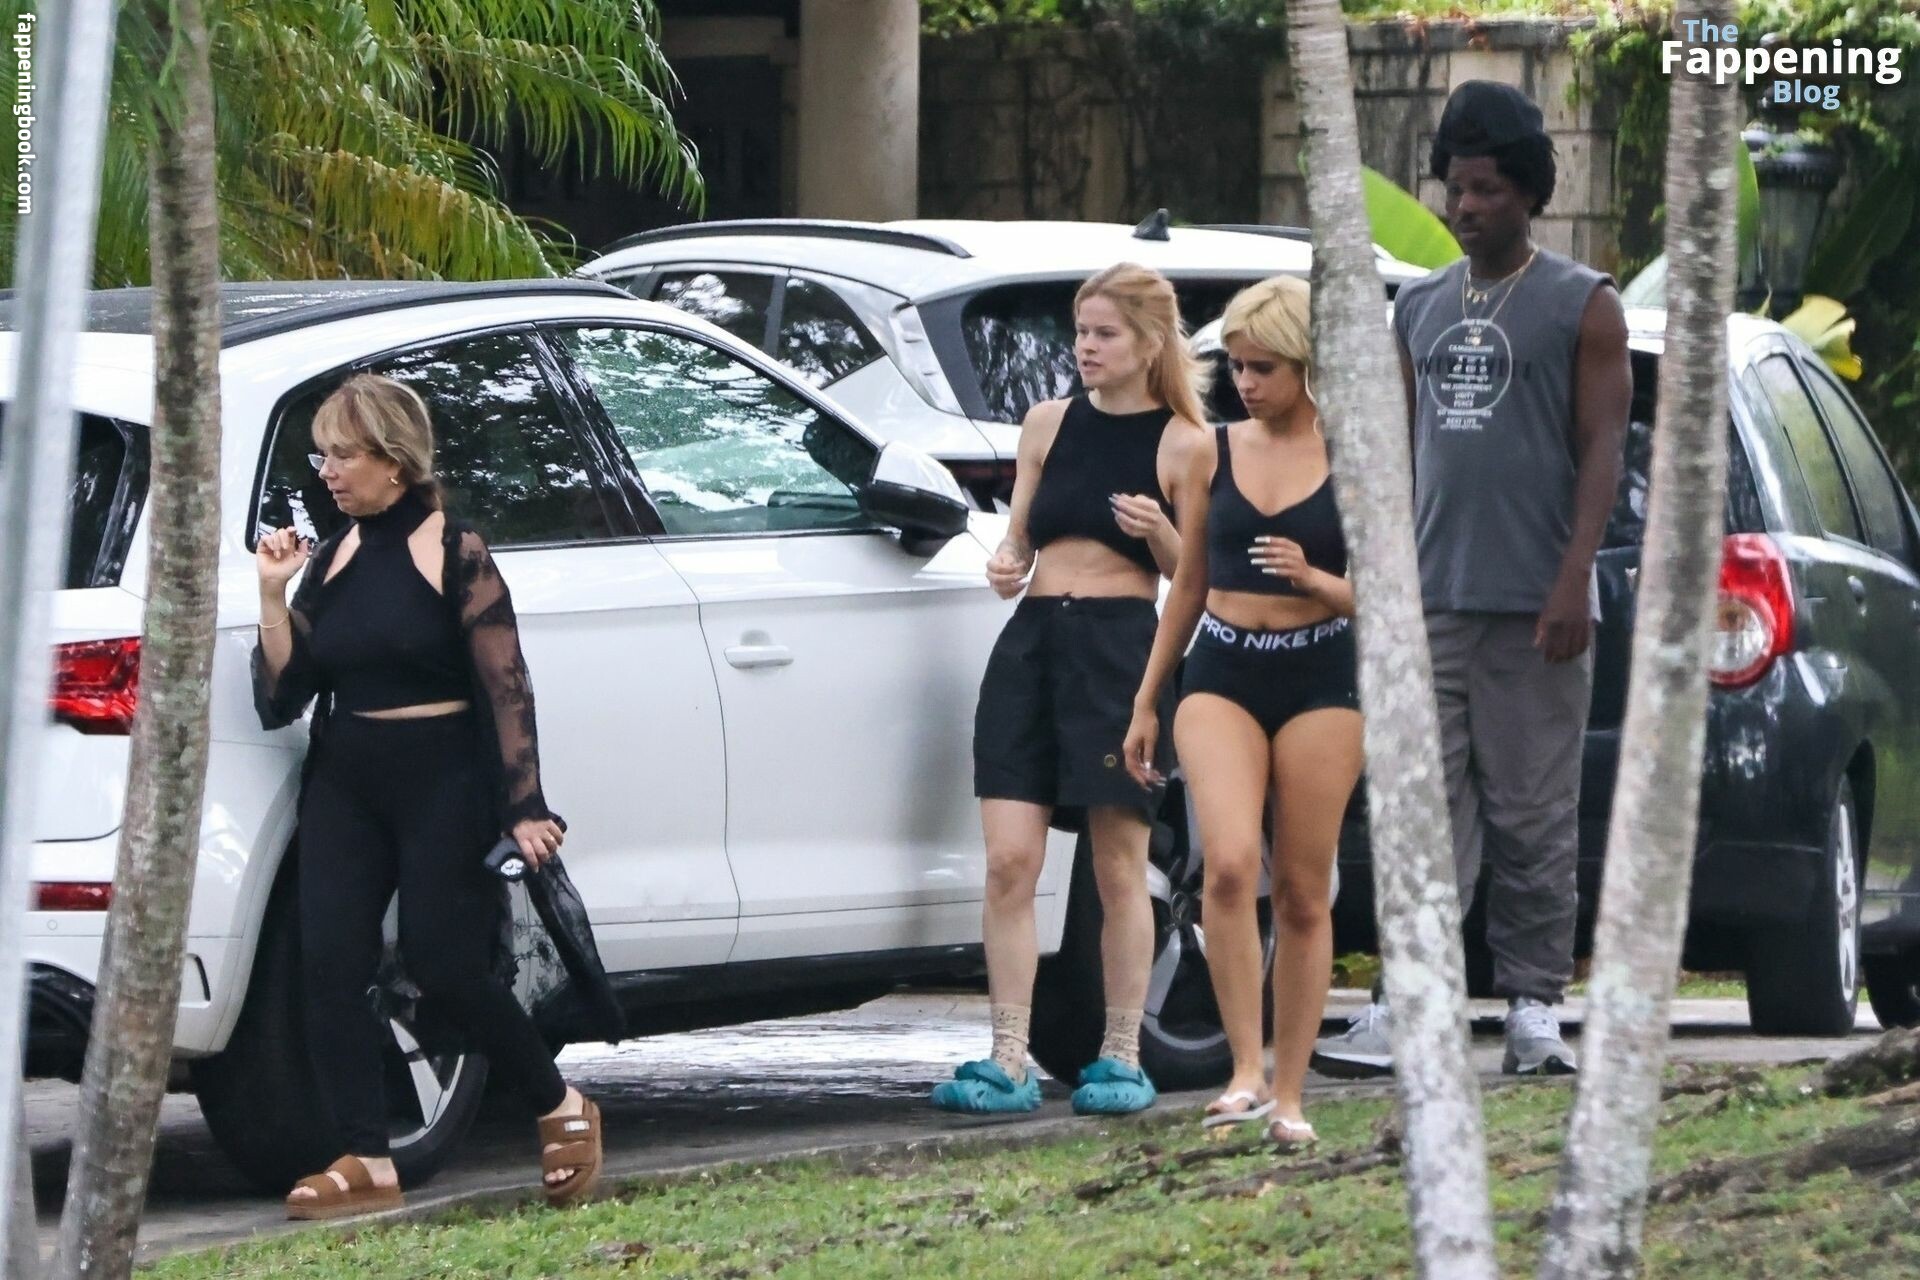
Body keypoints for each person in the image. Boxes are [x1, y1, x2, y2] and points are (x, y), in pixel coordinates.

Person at [1314, 80, 1630, 1078]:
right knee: (1422, 813)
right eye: (1454, 187)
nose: (1466, 206)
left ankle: (1534, 1010)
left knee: (1532, 815)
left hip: (1537, 609)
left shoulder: (1584, 302)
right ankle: (1410, 1003)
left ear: (1529, 190)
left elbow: (1604, 446)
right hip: (1431, 606)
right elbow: (1398, 456)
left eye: (1487, 188)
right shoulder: (1419, 305)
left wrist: (1575, 577)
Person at [253, 374, 606, 1217]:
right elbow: (285, 692)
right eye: (323, 455)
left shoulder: (455, 548)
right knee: (328, 964)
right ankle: (365, 1156)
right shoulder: (333, 556)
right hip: (347, 775)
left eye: (344, 455)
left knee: (445, 964)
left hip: (442, 773)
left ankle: (559, 1103)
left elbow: (506, 684)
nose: (328, 472)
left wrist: (524, 804)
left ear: (394, 460)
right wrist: (272, 597)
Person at [934, 263, 1209, 1116]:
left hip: (1120, 652)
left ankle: (1120, 1053)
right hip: (1032, 647)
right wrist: (1006, 561)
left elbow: (1196, 581)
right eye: (1080, 332)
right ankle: (1006, 1057)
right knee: (1010, 861)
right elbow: (1019, 537)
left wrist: (1161, 535)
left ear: (1149, 342)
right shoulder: (1047, 422)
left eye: (1104, 334)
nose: (1085, 347)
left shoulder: (1185, 443)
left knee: (1120, 868)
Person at [1122, 276, 1360, 1147]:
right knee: (1225, 866)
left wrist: (1316, 581)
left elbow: (1394, 594)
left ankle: (1290, 1092)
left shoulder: (1355, 456)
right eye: (1238, 366)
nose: (1246, 383)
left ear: (1306, 364)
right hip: (1222, 667)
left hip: (1321, 673)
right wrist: (1148, 698)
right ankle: (1244, 1070)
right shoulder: (1209, 452)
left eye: (1265, 368)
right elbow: (1187, 584)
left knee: (1301, 889)